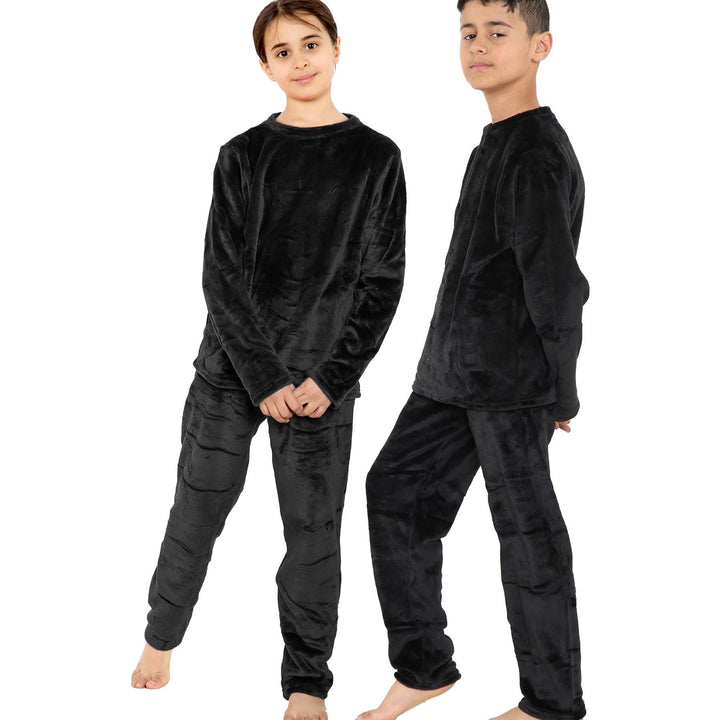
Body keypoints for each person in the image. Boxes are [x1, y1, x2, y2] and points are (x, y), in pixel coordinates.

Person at [130, 3, 406, 720]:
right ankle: (161, 638)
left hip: (321, 385)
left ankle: (307, 684)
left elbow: (382, 282)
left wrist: (329, 379)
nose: (300, 60)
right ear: (265, 67)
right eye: (282, 51)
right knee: (197, 508)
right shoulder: (242, 155)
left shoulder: (377, 158)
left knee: (313, 538)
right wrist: (263, 377)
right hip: (231, 374)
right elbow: (220, 275)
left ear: (337, 47)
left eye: (311, 43)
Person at [356, 2, 588, 720]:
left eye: (498, 32)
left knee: (527, 536)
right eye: (468, 33)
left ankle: (550, 704)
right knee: (394, 493)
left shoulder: (536, 152)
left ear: (541, 46)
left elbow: (558, 284)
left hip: (511, 383)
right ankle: (425, 667)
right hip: (449, 377)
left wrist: (562, 389)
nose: (478, 46)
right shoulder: (495, 141)